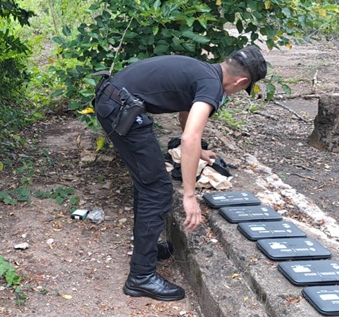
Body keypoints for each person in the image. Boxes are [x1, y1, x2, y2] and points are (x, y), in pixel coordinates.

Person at [93, 46, 268, 301]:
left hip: (113, 99)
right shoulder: (212, 86)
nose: (238, 92)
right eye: (244, 89)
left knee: (148, 183)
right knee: (157, 189)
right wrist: (189, 195)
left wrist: (198, 152)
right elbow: (189, 137)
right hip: (120, 107)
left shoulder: (204, 72)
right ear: (242, 81)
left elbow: (187, 119)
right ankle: (140, 277)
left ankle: (147, 250)